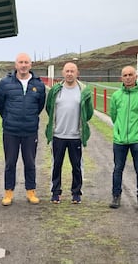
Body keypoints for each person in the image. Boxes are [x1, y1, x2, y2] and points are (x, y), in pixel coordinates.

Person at [0, 53, 46, 205]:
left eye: (26, 62)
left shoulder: (38, 85)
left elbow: (39, 106)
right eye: (20, 62)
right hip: (11, 130)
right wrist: (8, 118)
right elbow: (0, 105)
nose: (23, 65)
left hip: (30, 131)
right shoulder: (5, 83)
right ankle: (8, 193)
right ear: (15, 64)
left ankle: (31, 191)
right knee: (10, 163)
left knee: (30, 163)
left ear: (31, 65)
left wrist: (29, 118)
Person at [45, 62, 93, 204]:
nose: (69, 73)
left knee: (76, 166)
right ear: (63, 73)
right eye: (67, 71)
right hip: (58, 135)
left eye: (72, 71)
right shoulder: (56, 90)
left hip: (76, 136)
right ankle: (55, 192)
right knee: (56, 165)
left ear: (77, 73)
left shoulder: (83, 90)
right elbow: (49, 108)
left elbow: (88, 112)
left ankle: (76, 193)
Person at [108, 66, 138, 211]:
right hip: (119, 140)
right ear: (121, 78)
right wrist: (120, 129)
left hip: (137, 139)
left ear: (136, 77)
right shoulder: (116, 96)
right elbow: (114, 115)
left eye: (130, 75)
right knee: (117, 168)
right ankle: (116, 195)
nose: (128, 77)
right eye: (125, 75)